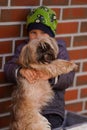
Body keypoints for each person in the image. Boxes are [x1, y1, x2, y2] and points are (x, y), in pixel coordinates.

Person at [4, 6, 75, 129]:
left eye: (43, 33)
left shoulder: (59, 50)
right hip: (27, 109)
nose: (38, 37)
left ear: (52, 34)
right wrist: (21, 71)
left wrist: (50, 76)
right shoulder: (23, 49)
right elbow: (8, 69)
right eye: (33, 32)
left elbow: (68, 77)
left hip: (52, 108)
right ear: (28, 34)